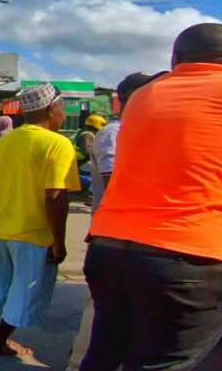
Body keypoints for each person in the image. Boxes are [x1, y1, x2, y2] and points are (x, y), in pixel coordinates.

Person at [80, 24, 222, 370]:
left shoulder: (144, 96)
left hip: (109, 248)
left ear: (175, 59)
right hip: (189, 256)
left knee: (104, 356)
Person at [0, 82, 80, 356]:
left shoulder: (6, 142)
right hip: (35, 236)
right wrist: (58, 242)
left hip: (3, 230)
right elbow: (55, 197)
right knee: (26, 291)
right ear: (51, 109)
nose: (63, 114)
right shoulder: (58, 144)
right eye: (62, 108)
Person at [66, 72, 158, 371]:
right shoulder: (114, 133)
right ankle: (79, 362)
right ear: (133, 98)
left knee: (122, 314)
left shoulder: (138, 130)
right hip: (115, 238)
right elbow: (115, 181)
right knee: (103, 310)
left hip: (136, 239)